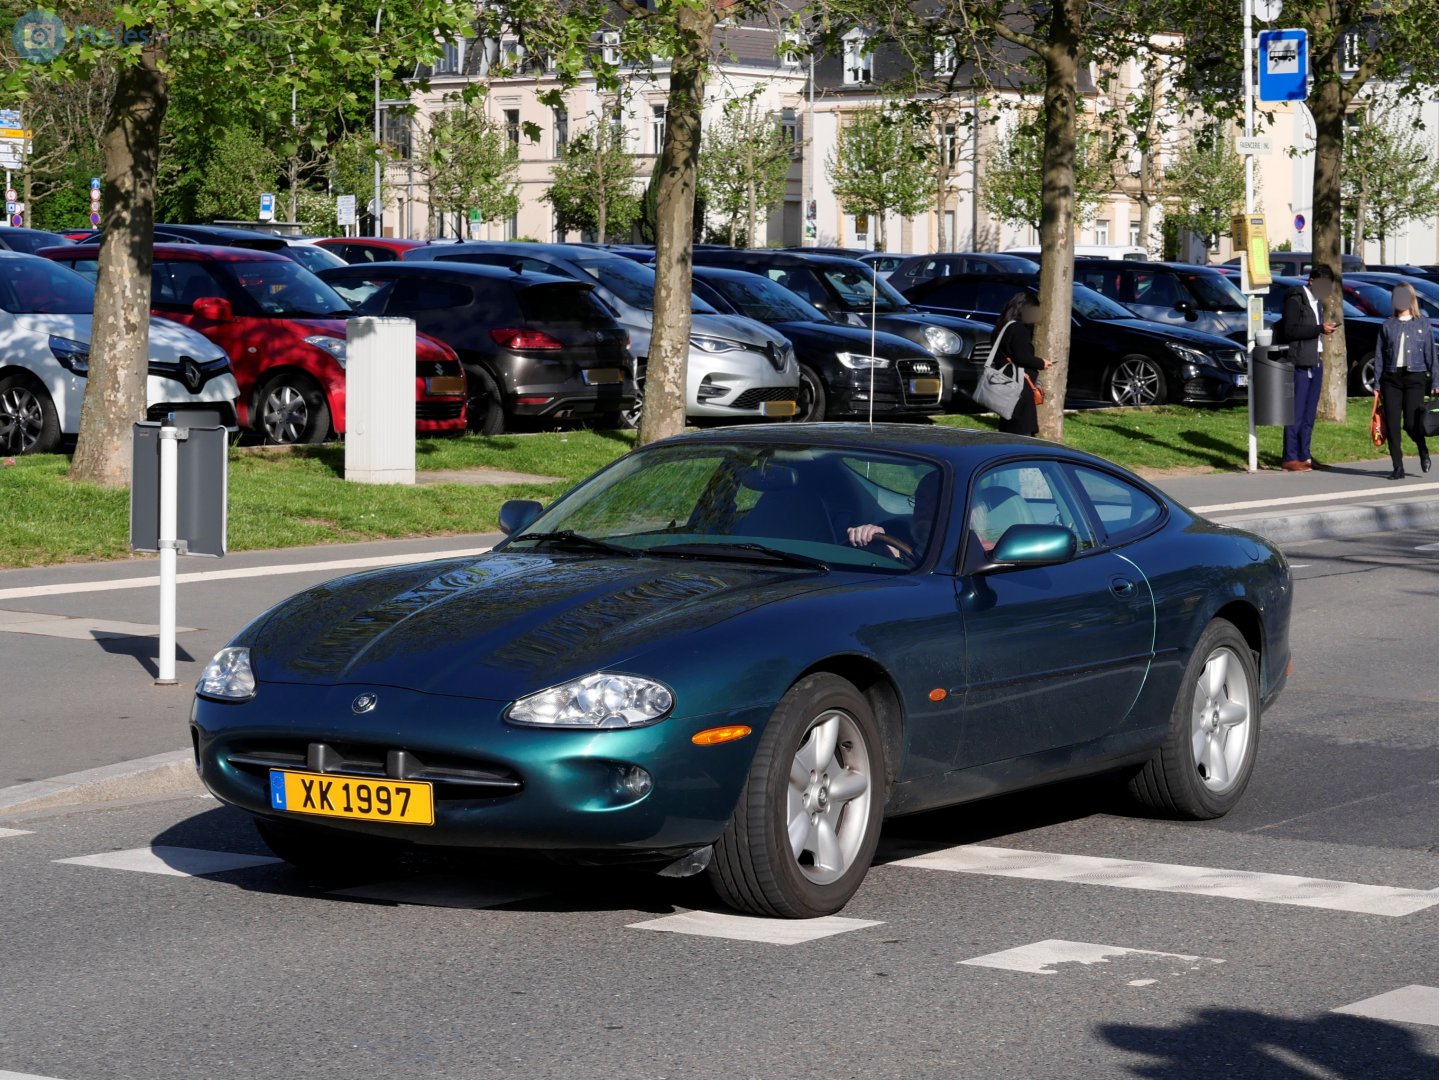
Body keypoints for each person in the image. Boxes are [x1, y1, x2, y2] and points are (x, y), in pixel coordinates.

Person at [1279, 264, 1339, 472]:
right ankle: (1290, 456)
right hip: (1300, 361)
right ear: (1312, 281)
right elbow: (1291, 330)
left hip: (1315, 359)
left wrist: (1322, 330)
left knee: (1309, 413)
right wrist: (1318, 329)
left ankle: (1305, 454)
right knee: (1296, 411)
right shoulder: (1295, 299)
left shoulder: (1316, 303)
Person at [1375, 283, 1437, 478]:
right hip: (1391, 379)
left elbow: (1431, 354)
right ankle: (1398, 467)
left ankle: (1423, 449)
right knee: (1392, 424)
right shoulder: (1387, 325)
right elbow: (1379, 356)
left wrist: (1436, 381)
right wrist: (1377, 384)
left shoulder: (1423, 323)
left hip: (1415, 377)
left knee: (1411, 423)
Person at [990, 292, 1051, 436]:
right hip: (1019, 387)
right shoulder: (1018, 329)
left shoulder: (1000, 327)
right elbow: (1023, 357)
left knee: (1008, 429)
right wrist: (1041, 363)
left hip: (1005, 385)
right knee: (1022, 430)